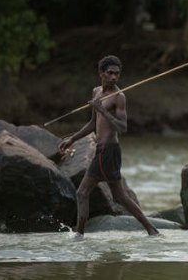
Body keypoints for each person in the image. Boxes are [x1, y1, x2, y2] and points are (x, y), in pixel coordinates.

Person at [59, 55, 159, 238]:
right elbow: (92, 124)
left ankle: (79, 236)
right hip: (102, 150)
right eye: (110, 73)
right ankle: (152, 230)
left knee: (82, 193)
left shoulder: (119, 97)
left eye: (117, 74)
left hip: (109, 152)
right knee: (119, 197)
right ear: (101, 73)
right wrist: (72, 139)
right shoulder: (96, 92)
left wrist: (102, 110)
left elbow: (123, 127)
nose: (114, 77)